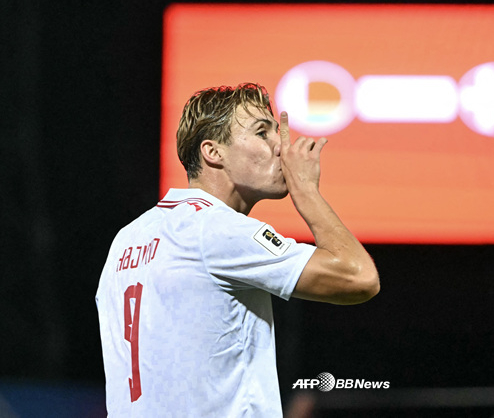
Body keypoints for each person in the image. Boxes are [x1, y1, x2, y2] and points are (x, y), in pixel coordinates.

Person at [95, 83, 379, 417]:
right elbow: (359, 278)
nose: (282, 146)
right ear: (213, 152)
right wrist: (305, 190)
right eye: (262, 132)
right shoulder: (216, 228)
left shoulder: (127, 238)